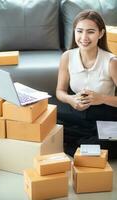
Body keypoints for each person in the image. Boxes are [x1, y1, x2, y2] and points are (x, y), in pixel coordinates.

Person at [56, 9, 117, 158]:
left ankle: (79, 146)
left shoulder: (112, 62)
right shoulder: (67, 57)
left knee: (110, 142)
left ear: (101, 33)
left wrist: (101, 98)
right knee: (49, 126)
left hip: (105, 115)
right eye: (79, 31)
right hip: (77, 112)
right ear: (74, 32)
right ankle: (85, 146)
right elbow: (60, 91)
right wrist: (71, 99)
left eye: (90, 32)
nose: (84, 37)